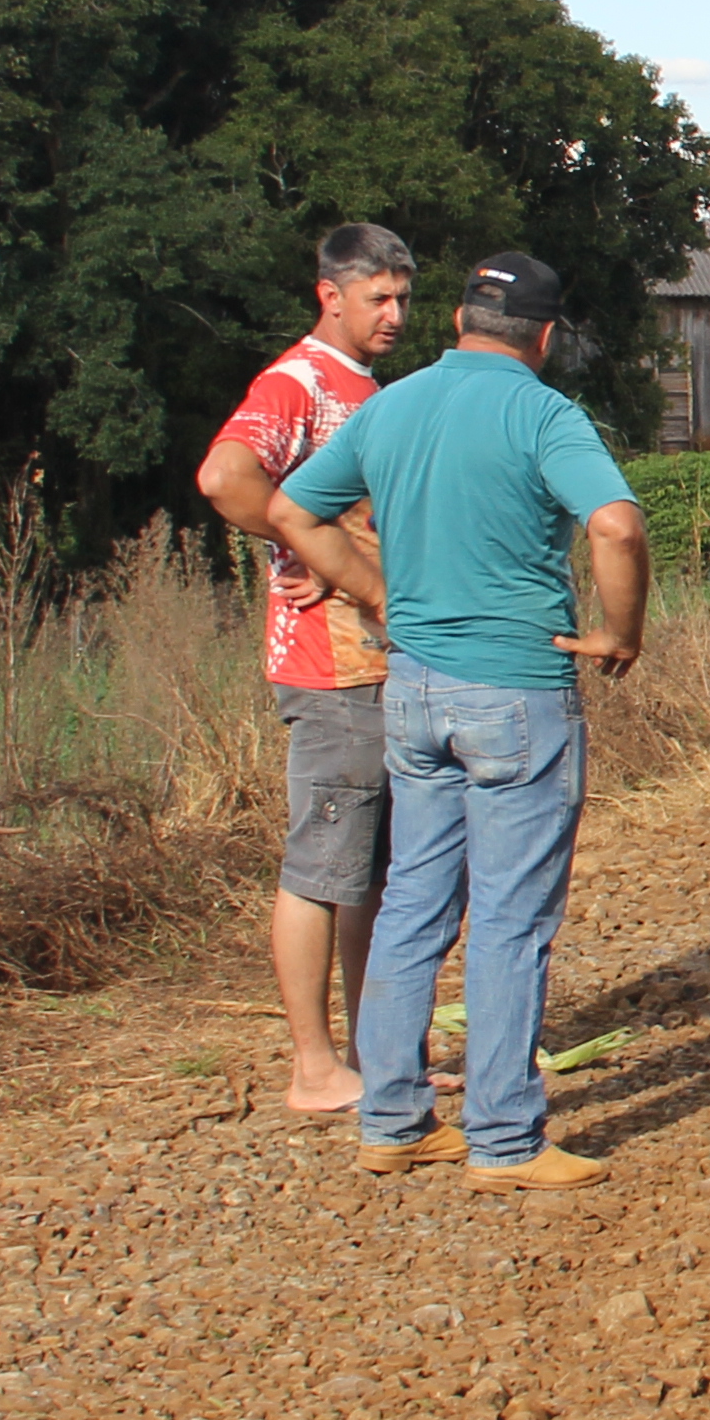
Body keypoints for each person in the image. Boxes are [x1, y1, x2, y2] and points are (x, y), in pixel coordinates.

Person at [266, 250, 651, 1192]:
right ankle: (506, 1140)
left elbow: (289, 510)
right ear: (546, 336)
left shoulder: (390, 406)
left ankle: (393, 1121)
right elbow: (615, 525)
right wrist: (620, 632)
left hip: (412, 688)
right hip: (516, 688)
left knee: (411, 904)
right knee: (512, 920)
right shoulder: (545, 415)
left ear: (457, 319)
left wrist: (377, 592)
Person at [195, 221, 418, 1114]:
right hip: (329, 669)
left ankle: (374, 1054)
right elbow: (226, 478)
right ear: (331, 296)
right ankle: (315, 1068)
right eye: (378, 298)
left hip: (377, 666)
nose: (395, 314)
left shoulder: (364, 387)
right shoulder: (298, 382)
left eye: (403, 298)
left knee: (371, 872)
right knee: (324, 867)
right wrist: (326, 558)